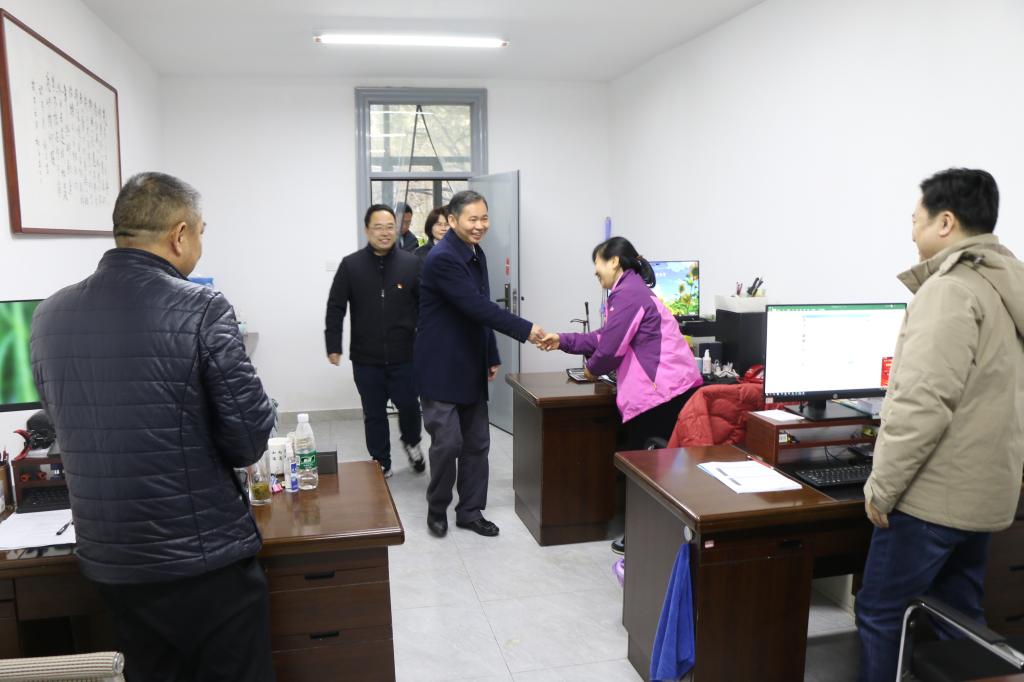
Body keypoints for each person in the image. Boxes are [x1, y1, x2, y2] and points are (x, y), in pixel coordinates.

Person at [30, 172, 276, 681]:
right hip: (202, 559)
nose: (201, 245)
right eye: (202, 232)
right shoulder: (202, 308)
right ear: (180, 234)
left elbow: (57, 419)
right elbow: (248, 439)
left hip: (110, 560)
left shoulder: (49, 315)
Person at [856, 168, 1024, 682]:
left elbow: (922, 404)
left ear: (945, 222)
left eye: (916, 220)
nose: (912, 233)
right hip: (984, 496)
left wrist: (882, 488)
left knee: (880, 612)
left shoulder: (950, 290)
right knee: (960, 617)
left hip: (932, 499)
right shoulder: (1005, 285)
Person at [540, 236, 703, 554]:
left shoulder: (628, 293)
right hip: (670, 391)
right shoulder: (631, 291)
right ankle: (646, 533)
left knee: (645, 468)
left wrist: (591, 370)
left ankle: (641, 537)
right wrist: (561, 340)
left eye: (597, 263)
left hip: (662, 395)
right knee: (651, 465)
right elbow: (605, 336)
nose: (595, 271)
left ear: (614, 261)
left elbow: (610, 349)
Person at [415, 190, 545, 538]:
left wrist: (491, 353)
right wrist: (528, 330)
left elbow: (479, 310)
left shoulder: (476, 252)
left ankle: (470, 511)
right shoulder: (442, 258)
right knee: (447, 444)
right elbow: (477, 306)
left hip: (470, 362)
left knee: (476, 444)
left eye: (484, 218)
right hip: (440, 366)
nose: (480, 225)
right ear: (452, 220)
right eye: (472, 219)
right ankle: (437, 509)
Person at [325, 204, 425, 477]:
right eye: (378, 227)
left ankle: (412, 442)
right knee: (374, 413)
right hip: (366, 358)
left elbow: (425, 306)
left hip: (405, 355)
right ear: (367, 230)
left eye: (390, 227)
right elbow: (336, 307)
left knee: (409, 406)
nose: (384, 232)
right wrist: (333, 345)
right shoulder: (351, 265)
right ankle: (381, 460)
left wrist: (425, 343)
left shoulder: (411, 263)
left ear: (397, 229)